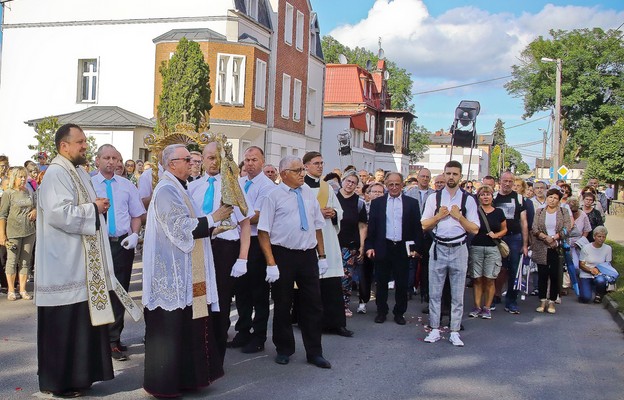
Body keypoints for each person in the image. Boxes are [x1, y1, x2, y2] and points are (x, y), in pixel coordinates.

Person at [35, 124, 140, 397]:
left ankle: (81, 378)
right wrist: (94, 208)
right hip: (63, 266)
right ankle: (60, 382)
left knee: (82, 327)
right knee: (65, 328)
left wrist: (95, 207)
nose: (84, 146)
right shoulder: (57, 173)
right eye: (80, 141)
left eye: (84, 141)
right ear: (64, 146)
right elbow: (59, 214)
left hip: (80, 266)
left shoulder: (78, 171)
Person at [142, 144, 231, 397]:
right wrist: (213, 218)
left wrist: (213, 228)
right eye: (187, 160)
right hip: (171, 274)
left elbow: (190, 222)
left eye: (194, 160)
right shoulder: (167, 190)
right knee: (171, 330)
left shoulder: (180, 187)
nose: (194, 164)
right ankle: (165, 384)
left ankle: (186, 379)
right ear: (172, 164)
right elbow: (180, 228)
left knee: (186, 327)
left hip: (184, 271)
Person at [257, 156, 331, 369]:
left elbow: (318, 226)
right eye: (297, 170)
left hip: (307, 255)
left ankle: (314, 352)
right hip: (283, 254)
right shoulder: (273, 196)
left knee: (313, 304)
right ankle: (284, 348)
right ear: (284, 174)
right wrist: (271, 263)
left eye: (302, 169)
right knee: (282, 303)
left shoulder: (308, 192)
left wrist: (322, 256)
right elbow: (263, 232)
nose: (302, 174)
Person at [188, 141, 252, 362]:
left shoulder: (234, 185)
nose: (214, 162)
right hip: (199, 247)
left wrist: (242, 258)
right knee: (199, 299)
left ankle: (216, 356)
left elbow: (245, 224)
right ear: (202, 160)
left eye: (217, 157)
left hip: (225, 249)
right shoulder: (193, 187)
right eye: (209, 157)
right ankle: (198, 352)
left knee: (221, 302)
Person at [92, 145, 145, 361]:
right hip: (97, 243)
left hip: (122, 244)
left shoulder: (126, 185)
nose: (111, 162)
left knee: (120, 290)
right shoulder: (89, 184)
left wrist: (135, 234)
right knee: (99, 290)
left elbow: (136, 214)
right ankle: (98, 339)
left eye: (115, 158)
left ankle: (114, 339)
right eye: (106, 157)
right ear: (97, 161)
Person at [421, 161, 479, 346]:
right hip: (438, 247)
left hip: (459, 248)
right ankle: (435, 329)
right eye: (448, 173)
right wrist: (439, 216)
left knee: (457, 293)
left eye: (455, 174)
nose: (451, 177)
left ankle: (454, 330)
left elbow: (475, 229)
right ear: (443, 175)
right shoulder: (434, 198)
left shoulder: (468, 199)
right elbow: (424, 224)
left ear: (460, 176)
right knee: (435, 292)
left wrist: (459, 216)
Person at [229, 146, 277, 353]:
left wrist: (235, 217)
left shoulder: (267, 187)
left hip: (258, 241)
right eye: (247, 160)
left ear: (263, 161)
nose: (249, 163)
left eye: (254, 160)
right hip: (239, 240)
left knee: (258, 291)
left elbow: (257, 215)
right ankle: (243, 330)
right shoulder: (238, 183)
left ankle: (259, 336)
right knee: (241, 290)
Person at [302, 152, 353, 337]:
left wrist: (334, 212)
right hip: (308, 239)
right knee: (310, 284)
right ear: (306, 166)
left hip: (328, 238)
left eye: (322, 163)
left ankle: (336, 323)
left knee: (332, 284)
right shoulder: (299, 187)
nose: (320, 166)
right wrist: (317, 213)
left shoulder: (327, 187)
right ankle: (309, 322)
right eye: (316, 163)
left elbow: (339, 210)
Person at [365, 172, 424, 326]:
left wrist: (417, 248)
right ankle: (381, 311)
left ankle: (399, 312)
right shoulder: (378, 203)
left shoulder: (411, 203)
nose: (394, 187)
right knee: (381, 281)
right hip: (383, 246)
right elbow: (372, 227)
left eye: (397, 184)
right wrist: (369, 246)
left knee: (402, 283)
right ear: (386, 185)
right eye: (390, 184)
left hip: (402, 247)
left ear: (402, 185)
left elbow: (417, 228)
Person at [468, 185, 507, 319]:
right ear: (478, 197)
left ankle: (487, 307)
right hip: (476, 247)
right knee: (477, 278)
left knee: (490, 279)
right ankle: (477, 306)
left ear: (492, 196)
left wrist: (497, 235)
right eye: (482, 194)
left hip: (492, 248)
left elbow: (504, 229)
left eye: (488, 194)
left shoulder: (499, 212)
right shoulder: (475, 211)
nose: (485, 197)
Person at [493, 171, 529, 314]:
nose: (507, 184)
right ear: (500, 181)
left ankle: (511, 301)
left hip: (515, 238)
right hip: (497, 239)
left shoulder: (519, 198)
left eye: (510, 181)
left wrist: (525, 244)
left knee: (514, 270)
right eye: (505, 181)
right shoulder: (494, 197)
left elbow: (524, 222)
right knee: (496, 269)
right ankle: (494, 296)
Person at [531, 188, 571, 314]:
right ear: (547, 198)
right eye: (550, 197)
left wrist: (554, 237)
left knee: (554, 275)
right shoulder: (540, 211)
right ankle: (542, 300)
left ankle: (552, 301)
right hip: (541, 246)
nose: (552, 200)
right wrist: (545, 237)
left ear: (558, 200)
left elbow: (567, 228)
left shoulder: (563, 212)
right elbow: (534, 228)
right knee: (542, 274)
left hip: (556, 246)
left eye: (555, 198)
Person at [0, 167, 36, 301]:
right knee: (12, 261)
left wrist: (34, 211)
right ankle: (11, 290)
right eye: (20, 177)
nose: (23, 179)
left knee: (25, 261)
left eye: (24, 177)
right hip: (13, 233)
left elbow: (35, 205)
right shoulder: (8, 194)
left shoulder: (28, 192)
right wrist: (2, 235)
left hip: (29, 231)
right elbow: (2, 215)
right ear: (14, 178)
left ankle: (23, 289)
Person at [336, 170, 367, 324]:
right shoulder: (333, 197)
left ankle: (344, 304)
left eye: (353, 183)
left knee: (346, 277)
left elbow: (362, 225)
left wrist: (362, 245)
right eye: (348, 181)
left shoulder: (359, 202)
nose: (350, 185)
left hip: (350, 245)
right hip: (332, 242)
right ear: (343, 181)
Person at [404, 168, 435, 304]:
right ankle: (408, 289)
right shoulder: (409, 193)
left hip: (429, 233)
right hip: (412, 232)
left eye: (427, 177)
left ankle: (425, 292)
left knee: (427, 264)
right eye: (422, 176)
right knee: (411, 262)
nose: (425, 179)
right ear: (418, 177)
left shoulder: (434, 195)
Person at [357, 182, 384, 313]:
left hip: (382, 245)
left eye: (380, 192)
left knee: (381, 275)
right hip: (366, 243)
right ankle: (363, 301)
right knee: (364, 274)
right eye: (375, 192)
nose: (377, 194)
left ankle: (381, 304)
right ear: (368, 194)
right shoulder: (364, 207)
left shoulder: (387, 207)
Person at [578, 226, 612, 304]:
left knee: (600, 281)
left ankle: (599, 294)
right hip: (586, 274)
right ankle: (584, 290)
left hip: (599, 274)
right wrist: (590, 270)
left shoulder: (608, 248)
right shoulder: (586, 248)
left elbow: (608, 264)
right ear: (594, 237)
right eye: (599, 236)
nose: (601, 239)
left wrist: (598, 271)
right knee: (586, 298)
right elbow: (581, 264)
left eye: (603, 237)